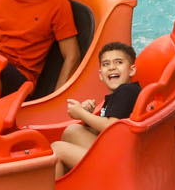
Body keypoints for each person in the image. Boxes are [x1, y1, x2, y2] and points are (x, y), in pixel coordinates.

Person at [54, 41, 139, 176]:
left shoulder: (126, 91)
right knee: (72, 130)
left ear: (132, 70)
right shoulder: (117, 96)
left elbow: (112, 126)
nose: (112, 67)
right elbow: (102, 132)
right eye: (106, 64)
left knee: (57, 149)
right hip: (114, 153)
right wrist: (88, 117)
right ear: (100, 74)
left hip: (118, 164)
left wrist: (82, 114)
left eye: (118, 62)